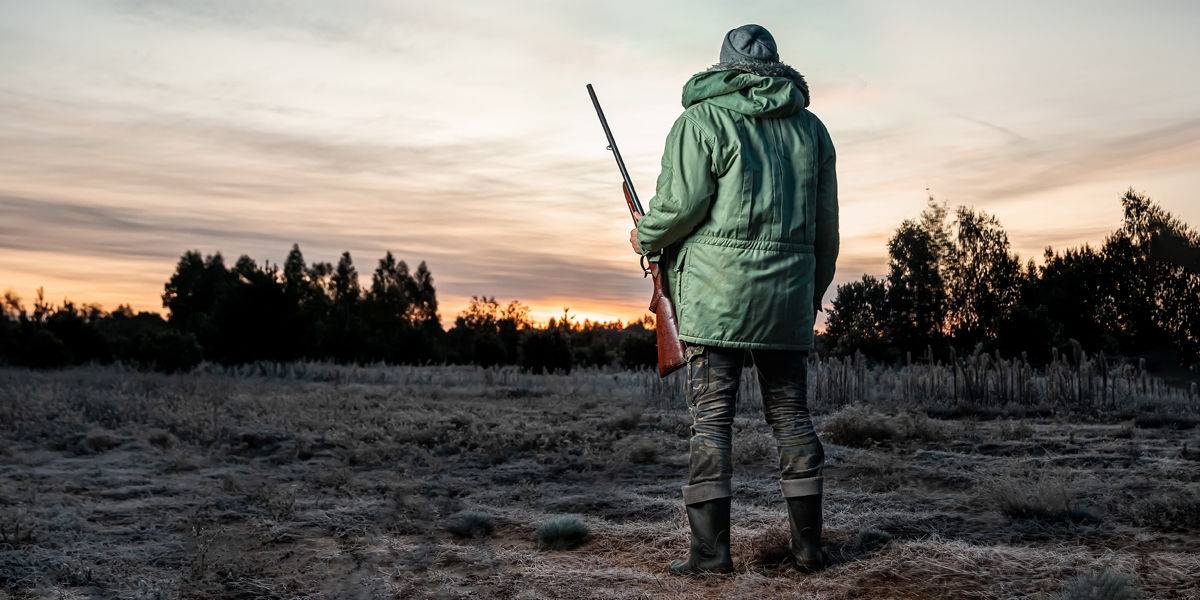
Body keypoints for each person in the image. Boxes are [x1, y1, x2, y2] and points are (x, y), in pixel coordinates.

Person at [629, 24, 839, 575]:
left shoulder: (699, 121)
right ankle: (810, 549)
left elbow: (681, 206)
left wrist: (644, 237)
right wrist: (810, 294)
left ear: (723, 67)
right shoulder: (812, 130)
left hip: (714, 300)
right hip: (788, 298)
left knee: (711, 423)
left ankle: (709, 554)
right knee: (793, 416)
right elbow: (827, 228)